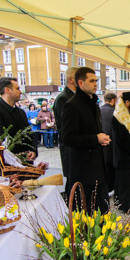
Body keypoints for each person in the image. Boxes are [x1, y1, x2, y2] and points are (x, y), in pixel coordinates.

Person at [61, 67, 110, 214]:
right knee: (86, 213)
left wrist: (101, 139)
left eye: (96, 81)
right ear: (81, 83)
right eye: (92, 81)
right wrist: (96, 138)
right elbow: (68, 138)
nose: (96, 84)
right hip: (83, 171)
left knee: (100, 212)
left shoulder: (93, 105)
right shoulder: (71, 105)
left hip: (97, 167)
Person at [0, 77, 38, 159]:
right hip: (9, 162)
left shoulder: (20, 112)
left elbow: (29, 134)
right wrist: (19, 156)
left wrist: (33, 150)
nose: (20, 92)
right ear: (7, 90)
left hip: (26, 162)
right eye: (17, 89)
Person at [54, 66, 79, 194]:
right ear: (70, 79)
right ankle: (71, 209)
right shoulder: (64, 98)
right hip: (70, 146)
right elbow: (65, 126)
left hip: (77, 146)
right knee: (72, 180)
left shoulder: (76, 96)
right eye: (78, 77)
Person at [100, 92, 117, 193]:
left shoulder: (99, 110)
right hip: (112, 144)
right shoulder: (114, 111)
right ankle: (111, 187)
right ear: (113, 100)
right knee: (112, 168)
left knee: (104, 167)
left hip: (101, 143)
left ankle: (105, 188)